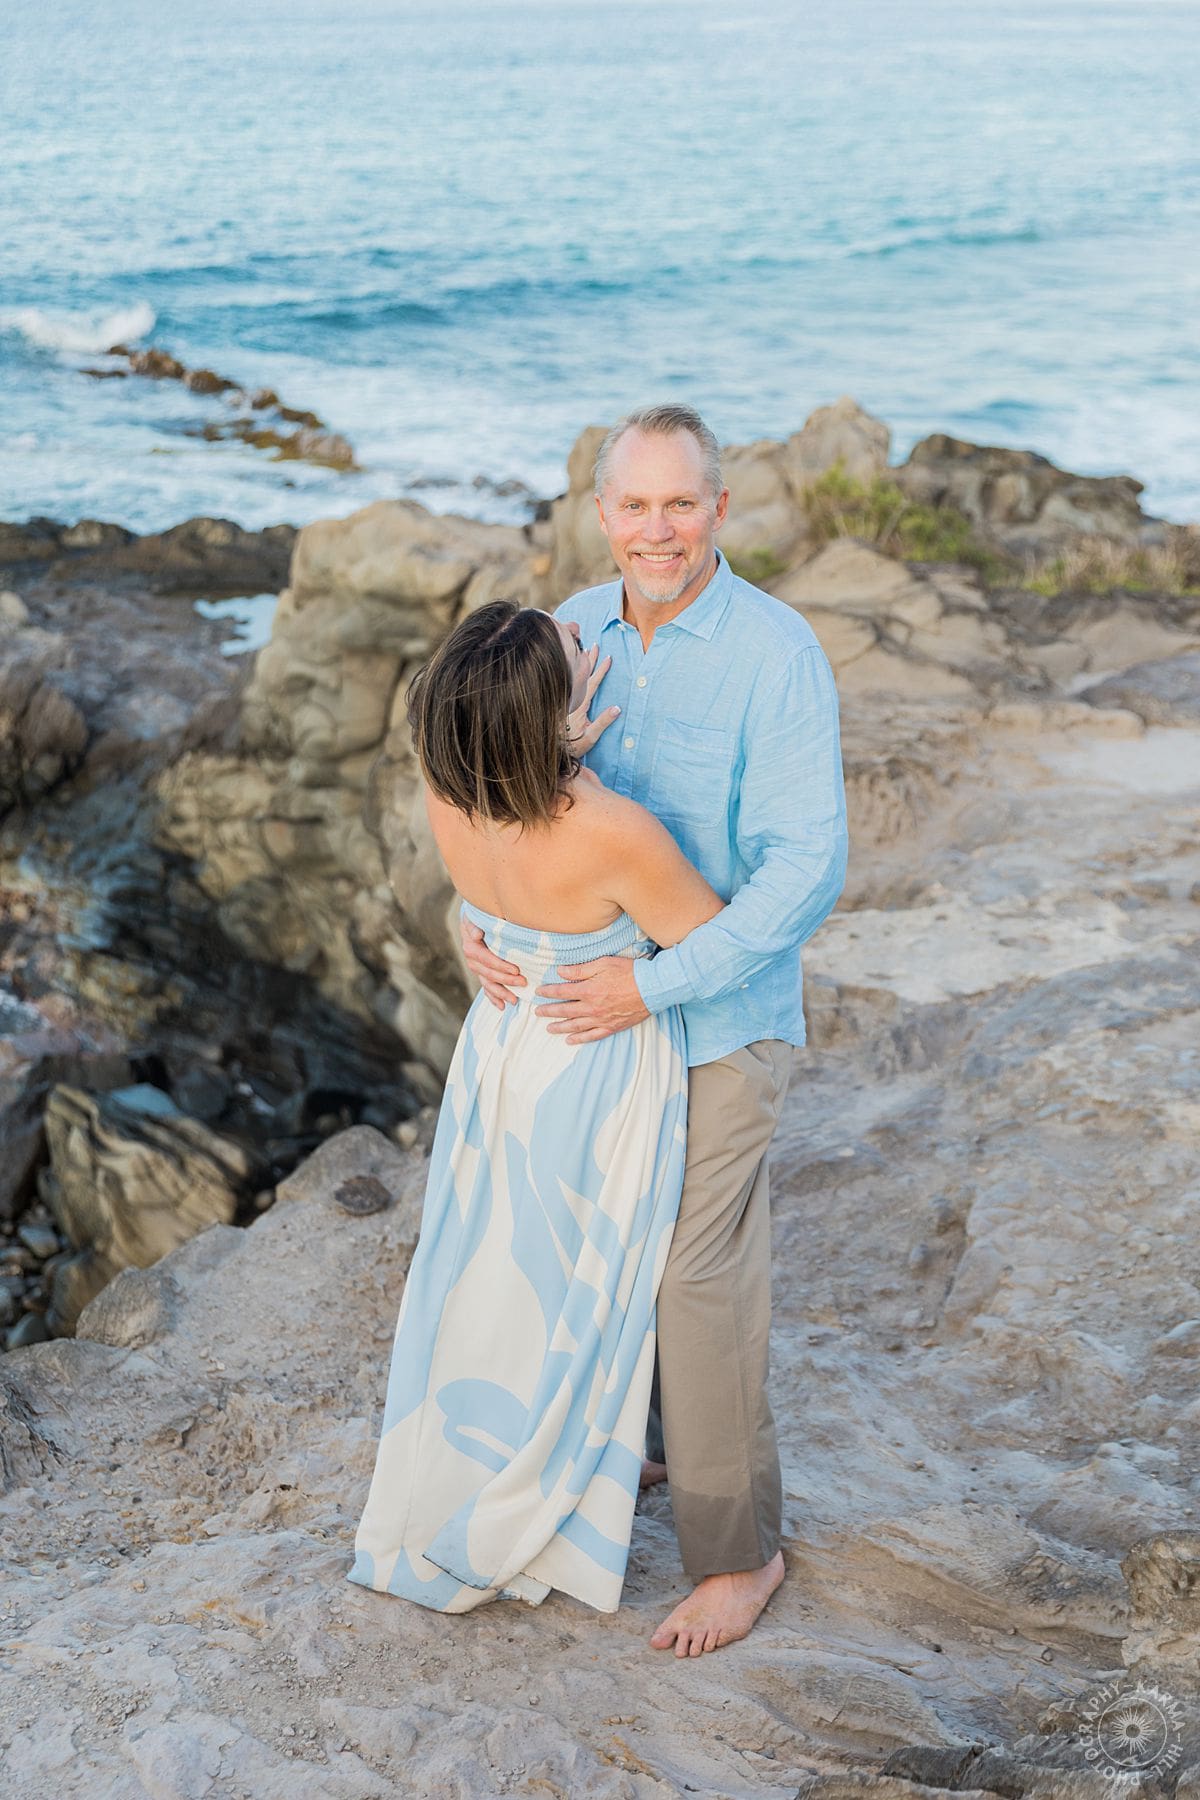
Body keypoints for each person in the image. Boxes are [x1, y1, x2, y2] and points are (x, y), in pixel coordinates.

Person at [461, 403, 849, 1656]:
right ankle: (652, 1443)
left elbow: (806, 873)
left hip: (720, 1015)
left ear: (720, 510)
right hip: (593, 1024)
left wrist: (659, 984)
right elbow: (501, 797)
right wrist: (470, 919)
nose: (658, 530)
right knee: (607, 1245)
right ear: (602, 513)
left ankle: (742, 1554)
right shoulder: (564, 633)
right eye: (635, 505)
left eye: (681, 504)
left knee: (698, 1274)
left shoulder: (778, 655)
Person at [346, 599, 725, 1615]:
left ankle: (522, 1454)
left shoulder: (449, 788)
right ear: (551, 714)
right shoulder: (612, 831)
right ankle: (562, 1472)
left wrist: (556, 748)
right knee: (583, 1279)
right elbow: (712, 939)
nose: (581, 632)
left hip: (502, 1047)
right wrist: (583, 777)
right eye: (573, 648)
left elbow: (488, 887)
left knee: (495, 1272)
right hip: (592, 1061)